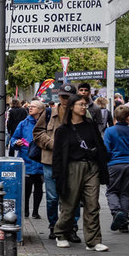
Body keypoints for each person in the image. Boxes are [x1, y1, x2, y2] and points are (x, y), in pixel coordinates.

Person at [52, 97, 110, 251]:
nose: (84, 107)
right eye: (81, 105)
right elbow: (57, 156)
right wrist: (58, 176)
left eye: (85, 105)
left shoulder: (90, 125)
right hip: (71, 168)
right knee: (69, 205)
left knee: (93, 204)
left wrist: (101, 158)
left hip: (92, 167)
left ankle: (93, 240)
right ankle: (61, 233)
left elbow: (99, 143)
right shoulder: (63, 130)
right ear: (71, 107)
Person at [34, 83, 78, 241]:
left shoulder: (79, 113)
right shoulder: (48, 112)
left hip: (73, 161)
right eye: (62, 96)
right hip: (50, 160)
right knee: (52, 197)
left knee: (73, 196)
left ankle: (72, 227)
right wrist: (52, 143)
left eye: (68, 97)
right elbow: (38, 133)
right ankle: (54, 225)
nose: (65, 100)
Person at [103, 104, 129, 234]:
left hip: (114, 164)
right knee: (126, 193)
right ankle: (124, 221)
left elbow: (106, 150)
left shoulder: (110, 131)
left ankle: (116, 211)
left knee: (112, 191)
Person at [9, 100, 44, 219]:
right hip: (26, 160)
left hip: (41, 161)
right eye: (30, 106)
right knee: (26, 189)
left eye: (33, 107)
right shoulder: (23, 123)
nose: (30, 108)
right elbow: (13, 139)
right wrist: (16, 143)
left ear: (40, 109)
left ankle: (36, 211)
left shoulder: (46, 123)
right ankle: (26, 211)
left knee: (39, 187)